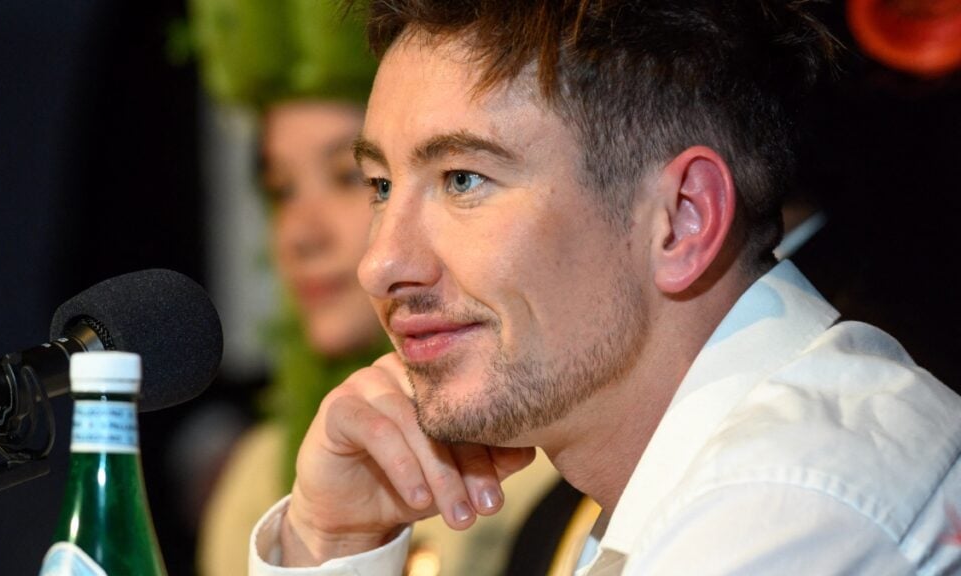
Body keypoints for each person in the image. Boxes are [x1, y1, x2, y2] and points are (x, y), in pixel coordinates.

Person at [246, 1, 961, 574]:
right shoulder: (708, 479)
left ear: (682, 220)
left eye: (463, 180)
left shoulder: (791, 502)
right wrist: (330, 543)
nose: (379, 263)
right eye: (379, 186)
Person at [194, 4, 562, 575]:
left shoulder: (547, 449)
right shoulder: (257, 481)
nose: (300, 234)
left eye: (352, 180)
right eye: (282, 189)